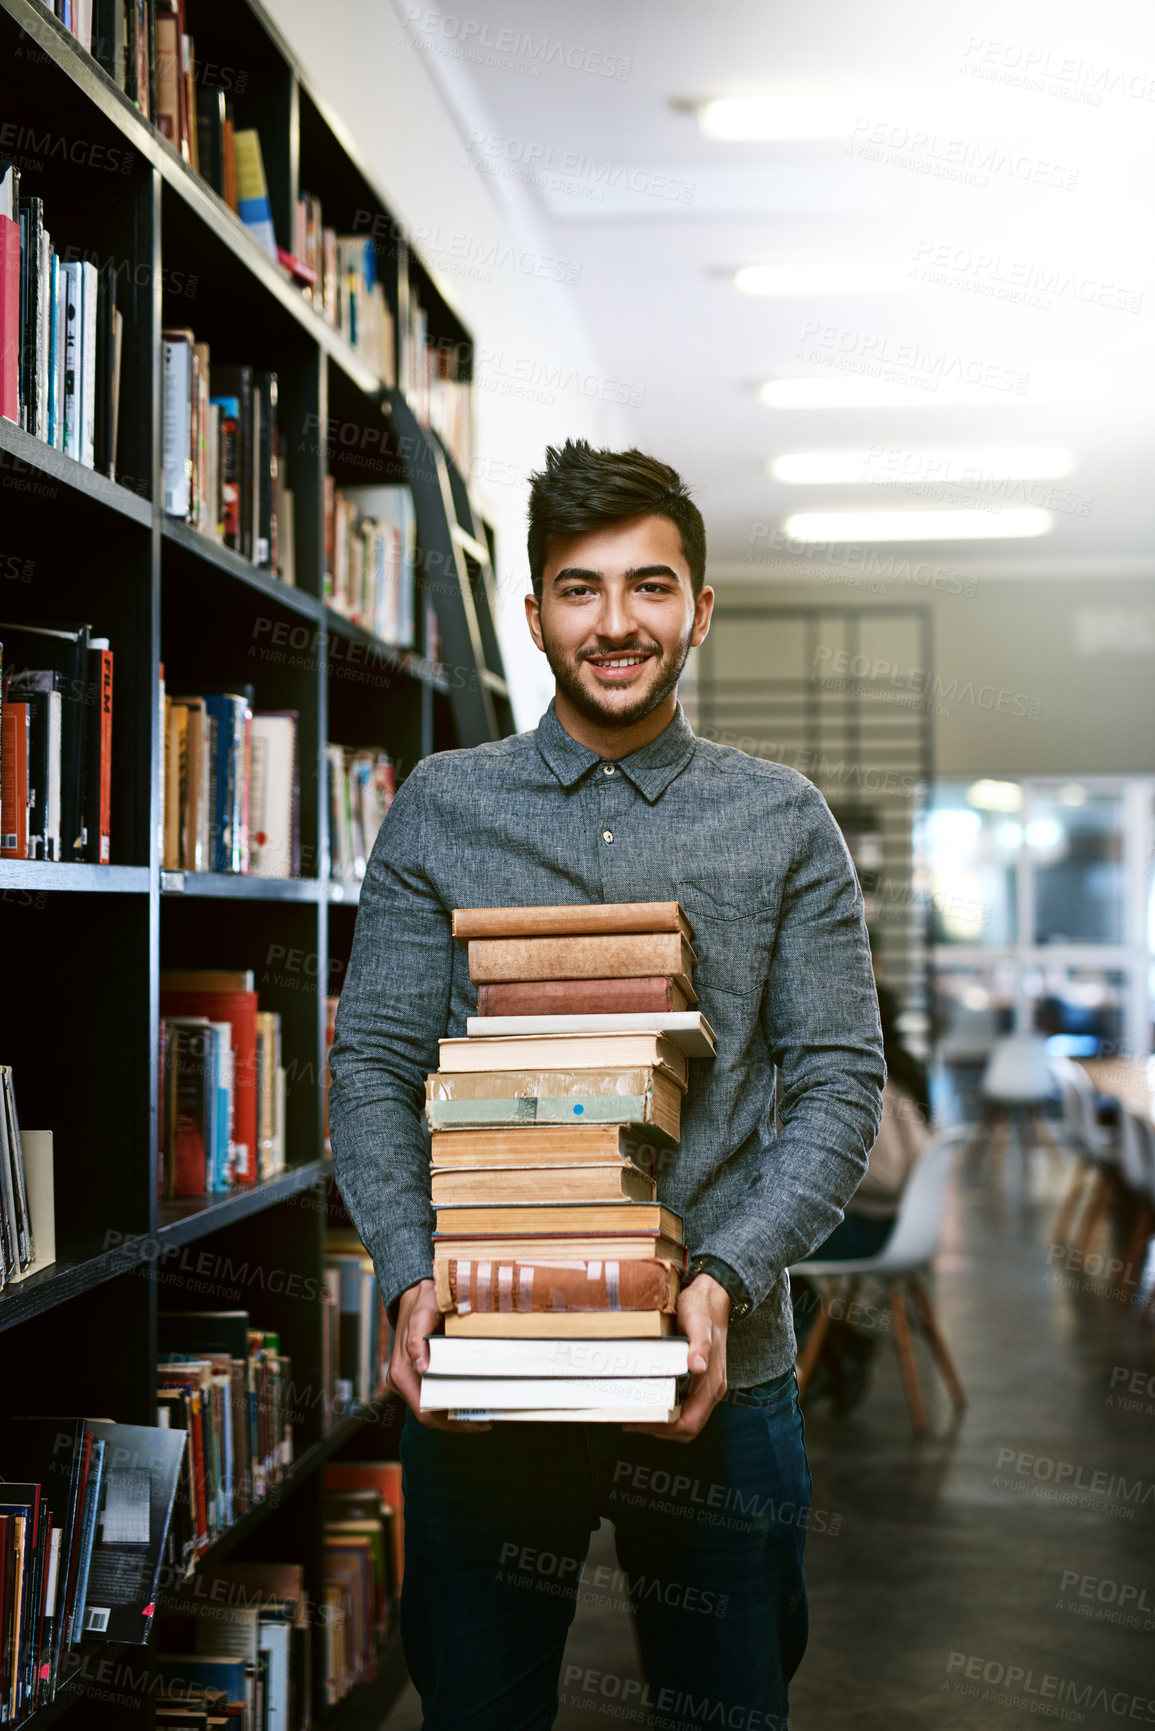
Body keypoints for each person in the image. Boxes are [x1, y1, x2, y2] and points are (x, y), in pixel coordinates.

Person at [328, 439, 885, 1731]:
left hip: (717, 1362)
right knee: (476, 1705)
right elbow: (374, 1063)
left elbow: (836, 1085)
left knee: (727, 1706)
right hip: (487, 1352)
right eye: (579, 589)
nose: (615, 620)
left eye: (648, 585)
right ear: (531, 615)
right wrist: (409, 1267)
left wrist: (721, 1278)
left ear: (697, 606)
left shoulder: (781, 818)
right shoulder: (441, 807)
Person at [792, 981, 931, 1409]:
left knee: (773, 1250)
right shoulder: (904, 1069)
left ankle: (831, 1351)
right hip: (901, 1223)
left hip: (881, 1227)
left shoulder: (876, 1083)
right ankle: (839, 1347)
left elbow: (886, 1175)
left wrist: (823, 1164)